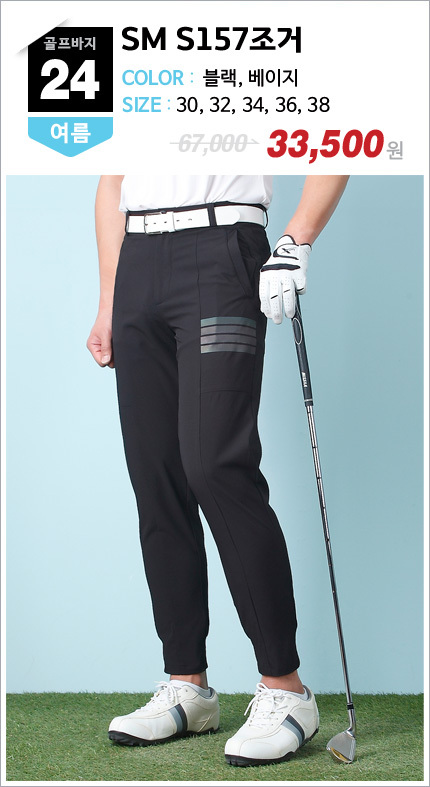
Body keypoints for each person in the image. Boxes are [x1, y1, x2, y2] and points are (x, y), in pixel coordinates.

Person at [87, 175, 349, 767]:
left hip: (222, 253)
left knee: (215, 467)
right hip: (138, 264)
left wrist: (296, 240)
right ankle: (188, 685)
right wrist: (109, 299)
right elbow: (111, 182)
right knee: (156, 476)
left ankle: (286, 690)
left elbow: (337, 139)